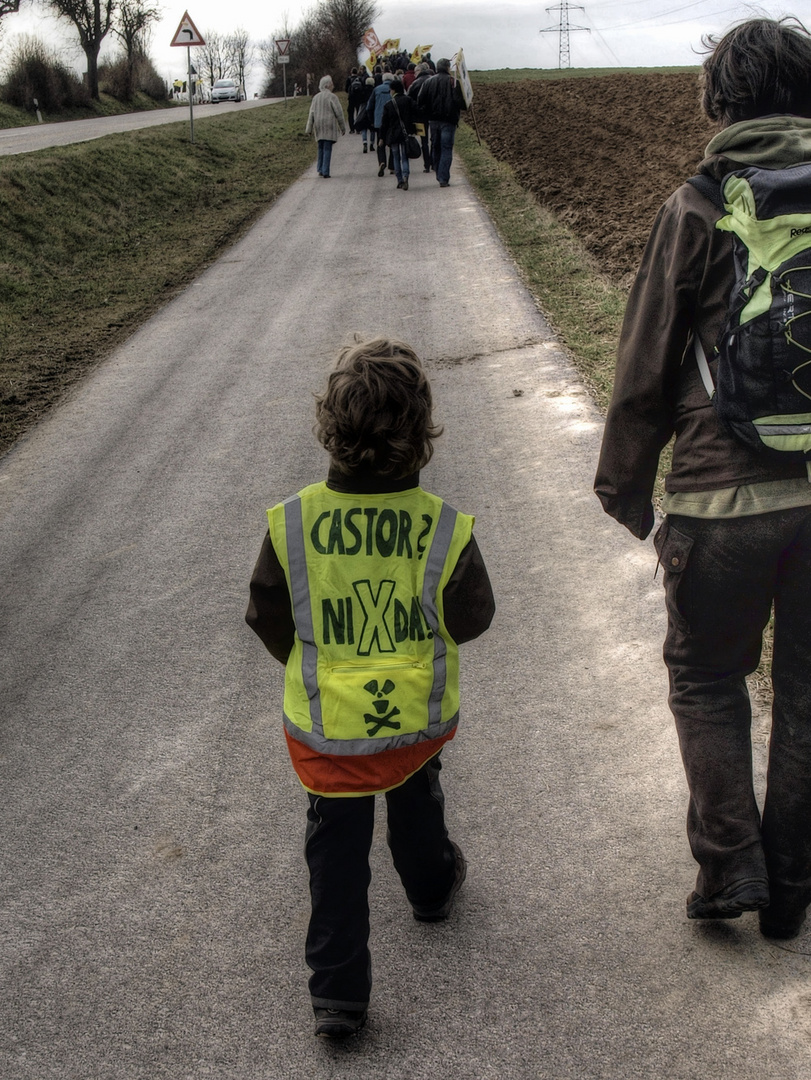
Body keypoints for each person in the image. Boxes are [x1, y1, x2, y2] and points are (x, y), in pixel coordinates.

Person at [594, 17, 811, 941]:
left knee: (705, 675)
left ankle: (730, 867)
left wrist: (625, 487)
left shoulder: (697, 204)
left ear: (718, 100)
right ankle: (793, 885)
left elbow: (645, 363)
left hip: (720, 499)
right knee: (806, 694)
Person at [246, 337, 495, 1037]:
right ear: (421, 433)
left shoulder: (293, 522)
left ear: (329, 425)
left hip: (329, 726)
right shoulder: (440, 526)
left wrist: (321, 666)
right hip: (412, 713)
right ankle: (431, 887)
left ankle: (337, 995)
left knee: (334, 847)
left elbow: (266, 614)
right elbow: (473, 618)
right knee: (416, 794)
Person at [418, 58, 467, 187]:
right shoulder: (453, 83)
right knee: (446, 148)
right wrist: (467, 105)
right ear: (447, 68)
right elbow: (459, 102)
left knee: (436, 146)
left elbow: (420, 100)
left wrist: (426, 111)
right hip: (449, 121)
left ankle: (439, 173)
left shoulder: (428, 82)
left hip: (433, 120)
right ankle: (443, 177)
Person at [380, 79, 419, 190]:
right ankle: (406, 175)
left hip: (393, 135)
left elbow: (384, 124)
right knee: (405, 157)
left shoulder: (388, 104)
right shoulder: (408, 100)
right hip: (406, 133)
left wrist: (382, 137)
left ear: (393, 90)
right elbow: (417, 111)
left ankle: (399, 180)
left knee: (396, 157)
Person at [304, 75, 346, 179]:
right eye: (331, 84)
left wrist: (309, 129)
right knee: (327, 148)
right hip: (329, 125)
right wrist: (342, 127)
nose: (333, 86)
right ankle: (326, 170)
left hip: (318, 125)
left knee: (320, 147)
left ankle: (320, 169)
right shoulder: (332, 97)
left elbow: (311, 113)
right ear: (327, 85)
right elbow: (339, 113)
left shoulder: (316, 97)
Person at [368, 72, 396, 177]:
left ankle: (382, 162)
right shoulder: (395, 89)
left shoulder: (376, 89)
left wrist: (372, 119)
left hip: (379, 121)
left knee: (380, 143)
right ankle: (392, 166)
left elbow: (369, 106)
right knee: (393, 143)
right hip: (392, 121)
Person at [407, 62, 433, 173]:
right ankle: (435, 163)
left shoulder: (415, 84)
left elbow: (409, 100)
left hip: (420, 117)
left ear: (419, 71)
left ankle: (427, 164)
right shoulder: (433, 80)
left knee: (424, 141)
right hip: (434, 114)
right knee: (435, 140)